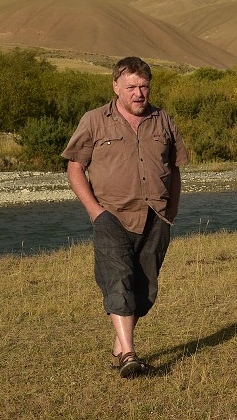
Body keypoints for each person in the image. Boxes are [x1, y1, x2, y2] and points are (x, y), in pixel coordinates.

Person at [62, 56, 188, 378]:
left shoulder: (163, 120)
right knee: (117, 280)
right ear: (116, 86)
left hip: (156, 216)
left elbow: (173, 168)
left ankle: (119, 348)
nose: (138, 93)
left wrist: (171, 208)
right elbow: (75, 167)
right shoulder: (93, 121)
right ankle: (130, 355)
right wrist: (95, 212)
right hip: (111, 216)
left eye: (143, 86)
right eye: (130, 86)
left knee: (145, 290)